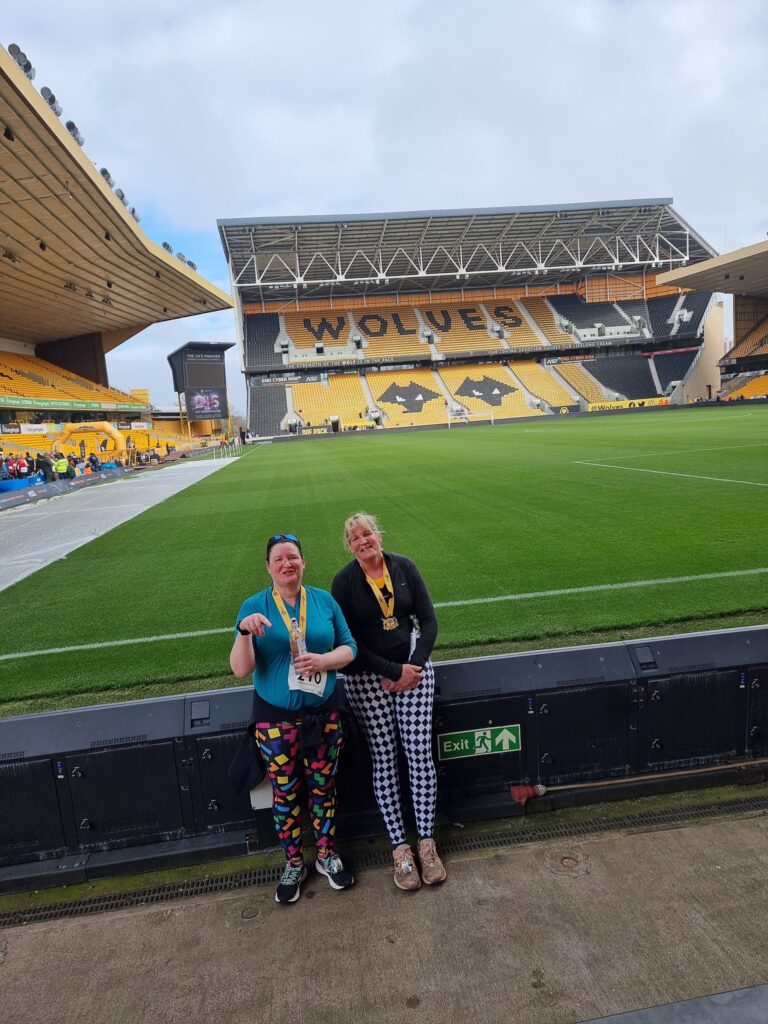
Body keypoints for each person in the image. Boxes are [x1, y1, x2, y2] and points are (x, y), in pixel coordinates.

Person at [230, 532, 358, 904]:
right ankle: (293, 862)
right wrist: (242, 633)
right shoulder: (254, 608)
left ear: (303, 561)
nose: (287, 564)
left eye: (293, 557)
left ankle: (326, 856)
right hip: (275, 722)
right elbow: (241, 670)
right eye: (279, 559)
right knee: (285, 795)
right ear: (268, 567)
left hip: (324, 716)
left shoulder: (323, 601)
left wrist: (323, 661)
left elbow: (350, 647)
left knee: (324, 789)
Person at [332, 512, 445, 891]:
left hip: (413, 672)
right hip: (367, 680)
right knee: (384, 760)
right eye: (355, 538)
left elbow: (428, 622)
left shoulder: (405, 567)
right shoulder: (345, 582)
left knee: (419, 756)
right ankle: (400, 849)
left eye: (368, 533)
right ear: (349, 547)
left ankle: (426, 844)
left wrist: (411, 667)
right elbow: (346, 642)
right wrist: (390, 671)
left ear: (378, 535)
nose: (363, 541)